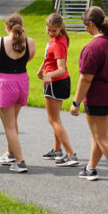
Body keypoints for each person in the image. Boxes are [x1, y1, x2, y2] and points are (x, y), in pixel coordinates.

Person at [69, 6, 108, 188]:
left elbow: (86, 78)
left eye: (85, 25)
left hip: (99, 97)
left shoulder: (92, 47)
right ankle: (90, 168)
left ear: (90, 24)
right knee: (99, 135)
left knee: (102, 137)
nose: (84, 28)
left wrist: (76, 102)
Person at [0, 13, 35, 173]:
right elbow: (29, 58)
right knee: (13, 121)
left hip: (5, 84)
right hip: (22, 82)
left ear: (7, 27)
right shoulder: (30, 42)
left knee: (9, 126)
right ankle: (10, 153)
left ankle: (20, 161)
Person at [36, 13, 78, 167]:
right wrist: (42, 68)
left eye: (53, 30)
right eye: (48, 29)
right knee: (56, 119)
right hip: (58, 82)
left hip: (56, 82)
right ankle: (57, 150)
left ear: (61, 28)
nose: (50, 32)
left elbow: (60, 69)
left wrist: (48, 76)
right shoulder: (56, 38)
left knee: (53, 120)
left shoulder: (59, 43)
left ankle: (70, 154)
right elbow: (49, 56)